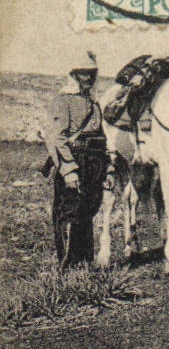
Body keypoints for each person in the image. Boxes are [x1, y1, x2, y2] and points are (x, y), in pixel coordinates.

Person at [44, 58, 109, 267]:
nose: (88, 77)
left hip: (95, 162)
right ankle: (67, 266)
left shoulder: (93, 103)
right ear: (73, 74)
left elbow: (101, 135)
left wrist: (107, 168)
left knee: (88, 211)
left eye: (91, 73)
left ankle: (84, 264)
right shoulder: (62, 101)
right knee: (69, 212)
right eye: (83, 73)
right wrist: (68, 170)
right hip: (74, 160)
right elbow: (57, 138)